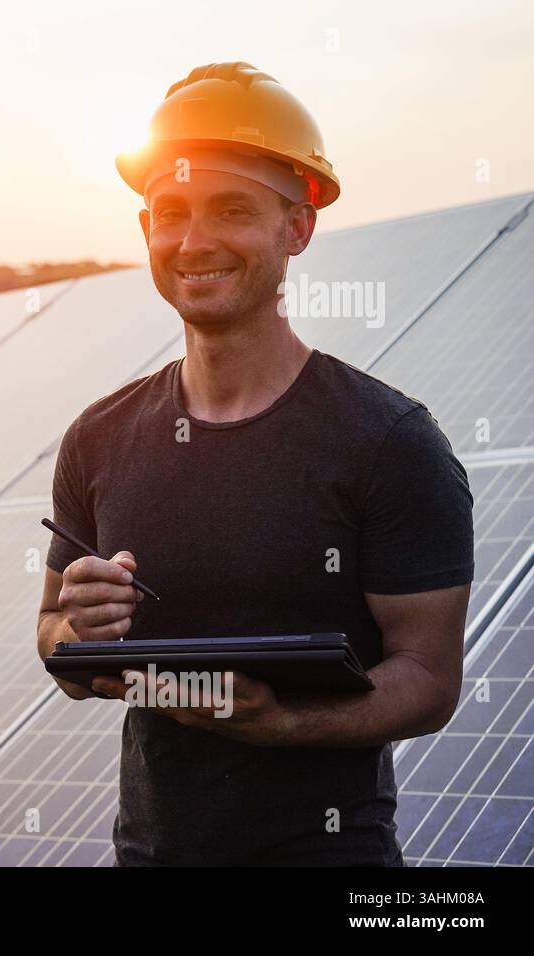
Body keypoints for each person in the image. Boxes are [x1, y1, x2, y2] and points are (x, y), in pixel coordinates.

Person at [35, 63, 474, 865]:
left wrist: (284, 721)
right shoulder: (97, 437)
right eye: (171, 214)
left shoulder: (390, 442)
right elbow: (56, 648)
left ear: (297, 227)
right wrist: (76, 629)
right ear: (146, 232)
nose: (194, 242)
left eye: (232, 210)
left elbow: (429, 678)